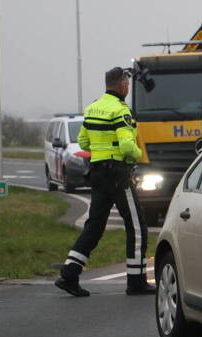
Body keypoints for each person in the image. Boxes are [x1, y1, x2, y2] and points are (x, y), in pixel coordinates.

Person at [56, 67, 154, 298]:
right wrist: (138, 155)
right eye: (127, 84)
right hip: (119, 174)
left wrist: (101, 150)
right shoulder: (121, 111)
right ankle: (137, 280)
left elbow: (83, 141)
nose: (128, 88)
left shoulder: (93, 108)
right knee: (138, 228)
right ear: (121, 84)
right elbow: (128, 146)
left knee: (95, 226)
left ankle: (70, 273)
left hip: (98, 172)